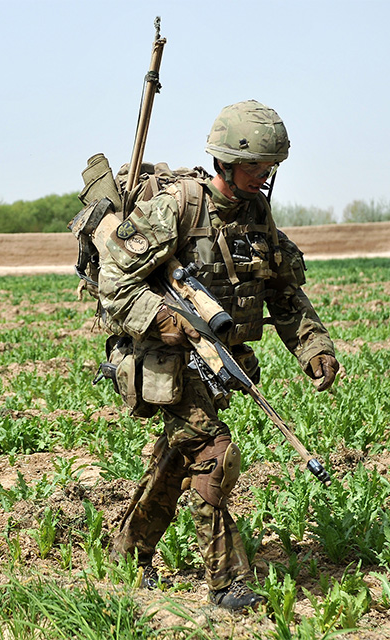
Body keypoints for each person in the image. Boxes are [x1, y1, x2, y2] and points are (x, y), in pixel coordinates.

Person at [98, 100, 339, 611]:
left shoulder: (257, 217)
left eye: (271, 167)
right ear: (225, 162)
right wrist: (165, 321)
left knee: (178, 459)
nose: (265, 176)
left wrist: (313, 347)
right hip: (162, 359)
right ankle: (226, 583)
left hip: (216, 361)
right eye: (256, 166)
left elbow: (285, 294)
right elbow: (114, 283)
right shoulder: (179, 207)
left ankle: (126, 548)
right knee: (213, 454)